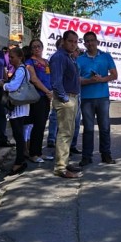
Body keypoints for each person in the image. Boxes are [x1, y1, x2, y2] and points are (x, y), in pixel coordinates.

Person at [77, 31, 118, 166]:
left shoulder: (106, 57)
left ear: (97, 42)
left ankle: (106, 155)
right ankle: (86, 156)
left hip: (103, 98)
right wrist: (90, 81)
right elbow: (76, 80)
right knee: (88, 129)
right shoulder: (80, 59)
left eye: (92, 40)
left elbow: (114, 75)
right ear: (84, 43)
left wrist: (102, 79)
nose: (90, 43)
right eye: (87, 41)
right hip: (86, 99)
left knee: (104, 127)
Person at [50, 30, 83, 179]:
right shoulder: (59, 57)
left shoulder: (69, 57)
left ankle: (64, 161)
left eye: (76, 42)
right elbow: (56, 81)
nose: (73, 44)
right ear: (63, 41)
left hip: (72, 97)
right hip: (66, 99)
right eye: (70, 41)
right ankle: (61, 168)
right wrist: (64, 99)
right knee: (64, 133)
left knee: (69, 132)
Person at [3, 47, 31, 175]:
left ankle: (19, 162)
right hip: (21, 106)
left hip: (18, 107)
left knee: (18, 135)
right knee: (18, 134)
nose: (11, 60)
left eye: (13, 57)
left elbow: (14, 86)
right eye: (10, 58)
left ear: (20, 57)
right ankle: (21, 159)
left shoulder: (20, 70)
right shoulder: (22, 69)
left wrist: (3, 85)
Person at [25, 39, 53, 164]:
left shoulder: (46, 62)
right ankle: (33, 153)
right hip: (37, 97)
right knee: (37, 125)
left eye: (39, 46)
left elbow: (50, 77)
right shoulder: (30, 63)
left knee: (42, 125)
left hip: (46, 96)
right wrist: (47, 92)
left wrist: (51, 92)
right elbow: (34, 80)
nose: (37, 49)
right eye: (34, 47)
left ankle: (39, 152)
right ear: (31, 49)